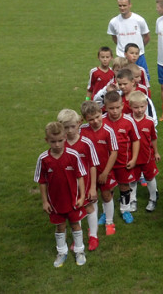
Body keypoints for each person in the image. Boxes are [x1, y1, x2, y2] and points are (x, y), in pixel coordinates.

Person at [35, 122, 87, 267]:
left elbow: (80, 176)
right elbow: (42, 182)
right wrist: (45, 202)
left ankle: (79, 250)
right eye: (53, 141)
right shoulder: (43, 159)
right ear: (47, 140)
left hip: (73, 199)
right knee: (60, 226)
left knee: (76, 225)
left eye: (60, 140)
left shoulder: (73, 155)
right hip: (55, 202)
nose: (57, 144)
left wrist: (82, 196)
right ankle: (62, 252)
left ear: (65, 138)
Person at [57, 109, 100, 252]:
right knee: (75, 210)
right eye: (65, 127)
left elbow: (93, 165)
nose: (69, 131)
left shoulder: (86, 142)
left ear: (79, 124)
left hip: (86, 183)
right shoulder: (60, 144)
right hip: (69, 186)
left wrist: (93, 187)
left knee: (89, 207)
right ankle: (78, 239)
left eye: (72, 126)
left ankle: (93, 236)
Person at [80, 101, 119, 236]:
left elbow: (114, 152)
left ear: (101, 113)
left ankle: (109, 222)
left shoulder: (108, 131)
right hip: (89, 173)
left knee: (107, 196)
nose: (96, 121)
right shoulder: (82, 130)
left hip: (104, 171)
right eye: (91, 119)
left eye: (98, 116)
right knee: (92, 197)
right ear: (85, 119)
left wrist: (106, 172)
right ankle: (94, 224)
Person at [102, 91, 140, 225]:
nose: (114, 111)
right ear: (105, 107)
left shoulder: (129, 121)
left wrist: (134, 158)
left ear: (123, 105)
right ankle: (106, 212)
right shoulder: (101, 121)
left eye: (117, 107)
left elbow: (136, 140)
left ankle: (125, 210)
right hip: (107, 164)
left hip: (124, 162)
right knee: (107, 189)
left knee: (124, 186)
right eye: (111, 108)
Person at [128, 91, 160, 213]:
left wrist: (156, 152)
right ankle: (132, 200)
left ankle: (152, 198)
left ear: (146, 105)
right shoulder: (128, 121)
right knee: (132, 179)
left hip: (147, 156)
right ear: (130, 107)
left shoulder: (150, 121)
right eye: (136, 107)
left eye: (142, 107)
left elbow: (153, 138)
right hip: (132, 157)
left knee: (150, 177)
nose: (139, 110)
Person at [107, 0, 151, 77]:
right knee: (123, 81)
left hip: (139, 57)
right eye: (120, 5)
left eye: (124, 5)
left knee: (143, 80)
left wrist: (137, 49)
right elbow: (114, 38)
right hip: (122, 58)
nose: (122, 8)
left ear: (130, 5)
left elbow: (147, 37)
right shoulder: (113, 22)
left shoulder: (139, 20)